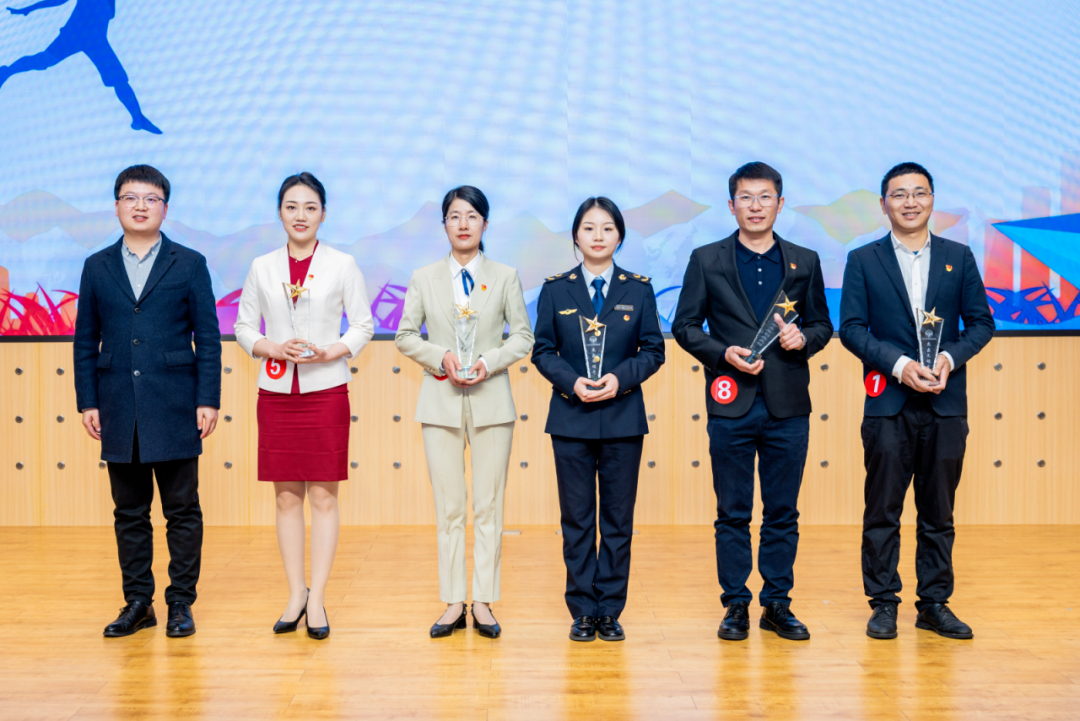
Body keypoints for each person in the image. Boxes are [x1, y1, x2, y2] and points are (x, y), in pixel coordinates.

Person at [672, 162, 832, 642]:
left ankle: (777, 603)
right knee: (733, 512)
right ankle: (736, 604)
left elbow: (822, 325)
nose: (756, 206)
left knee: (783, 511)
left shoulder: (804, 261)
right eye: (746, 197)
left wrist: (804, 340)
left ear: (780, 204)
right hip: (730, 404)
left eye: (765, 197)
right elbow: (685, 327)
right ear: (731, 205)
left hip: (788, 406)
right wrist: (722, 353)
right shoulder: (707, 259)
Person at [840, 162, 994, 640]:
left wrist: (949, 358)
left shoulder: (958, 257)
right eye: (899, 194)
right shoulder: (863, 260)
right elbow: (852, 329)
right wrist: (900, 364)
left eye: (919, 192)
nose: (910, 202)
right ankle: (883, 603)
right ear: (883, 203)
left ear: (932, 199)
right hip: (888, 404)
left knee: (938, 511)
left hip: (946, 405)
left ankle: (934, 603)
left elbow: (982, 323)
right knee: (882, 509)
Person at [74, 164, 221, 637]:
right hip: (118, 404)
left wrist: (208, 398)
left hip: (176, 403)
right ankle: (138, 602)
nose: (140, 206)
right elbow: (85, 340)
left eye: (151, 198)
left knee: (182, 510)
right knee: (129, 512)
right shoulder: (97, 266)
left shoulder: (189, 263)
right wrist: (88, 401)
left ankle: (180, 603)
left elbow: (208, 338)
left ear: (165, 208)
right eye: (131, 197)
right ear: (116, 206)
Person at [234, 172, 374, 640]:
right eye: (292, 206)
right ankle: (296, 593)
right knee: (286, 496)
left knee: (323, 496)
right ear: (280, 212)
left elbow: (363, 325)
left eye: (310, 207)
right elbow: (243, 327)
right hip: (276, 393)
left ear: (323, 214)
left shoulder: (343, 264)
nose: (301, 215)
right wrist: (272, 348)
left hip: (326, 391)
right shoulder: (262, 266)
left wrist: (332, 351)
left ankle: (318, 598)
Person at [395, 185, 534, 639]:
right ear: (444, 224)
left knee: (488, 507)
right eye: (454, 216)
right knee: (449, 508)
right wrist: (441, 358)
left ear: (485, 224)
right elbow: (405, 336)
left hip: (492, 402)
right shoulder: (424, 277)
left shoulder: (506, 275)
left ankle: (484, 601)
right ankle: (454, 601)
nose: (463, 224)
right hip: (440, 403)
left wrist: (488, 362)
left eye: (472, 216)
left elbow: (523, 337)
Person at [532, 197, 665, 642]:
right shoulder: (556, 289)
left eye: (607, 228)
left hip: (623, 419)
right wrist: (572, 382)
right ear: (575, 236)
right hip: (570, 419)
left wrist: (619, 379)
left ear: (620, 236)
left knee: (617, 521)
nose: (598, 236)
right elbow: (542, 350)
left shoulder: (638, 289)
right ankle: (582, 610)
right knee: (577, 521)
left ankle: (609, 609)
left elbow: (653, 350)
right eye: (589, 228)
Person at [1, 0, 161, 133]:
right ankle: (7, 71)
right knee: (43, 60)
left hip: (97, 41)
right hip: (74, 35)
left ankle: (138, 118)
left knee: (119, 79)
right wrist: (29, 9)